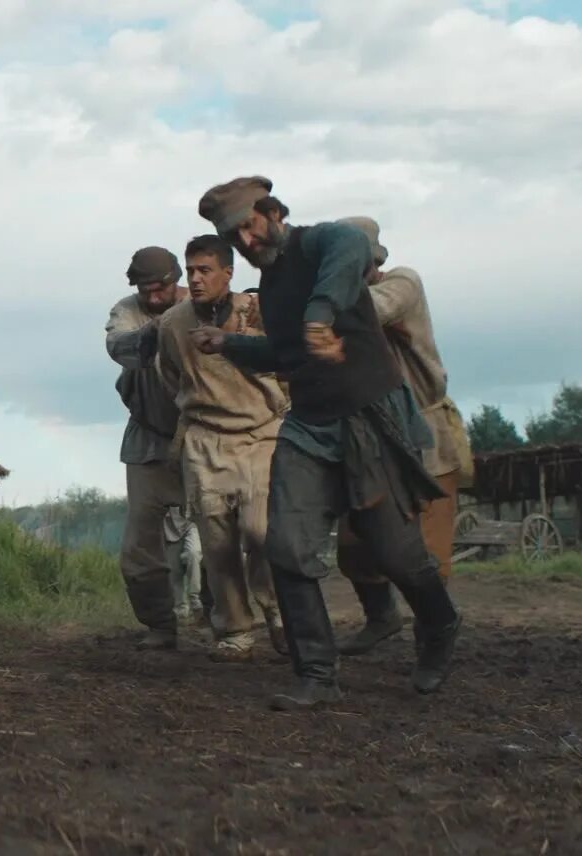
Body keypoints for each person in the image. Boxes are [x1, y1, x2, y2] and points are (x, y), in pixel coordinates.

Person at [189, 176, 461, 710]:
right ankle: (316, 673)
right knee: (285, 545)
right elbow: (288, 356)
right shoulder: (270, 288)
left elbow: (352, 243)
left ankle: (440, 623)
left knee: (395, 552)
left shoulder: (318, 244)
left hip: (366, 418)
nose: (245, 241)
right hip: (309, 427)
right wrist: (231, 345)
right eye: (234, 235)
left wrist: (321, 315)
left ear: (273, 213)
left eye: (249, 225)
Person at [330, 216, 474, 655]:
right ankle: (381, 617)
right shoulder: (333, 301)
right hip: (369, 434)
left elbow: (372, 309)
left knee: (428, 552)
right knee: (355, 543)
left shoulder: (402, 284)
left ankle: (434, 635)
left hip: (425, 434)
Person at [158, 233, 289, 661]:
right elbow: (171, 375)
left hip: (260, 435)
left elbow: (286, 364)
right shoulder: (174, 323)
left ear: (228, 273)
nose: (195, 279)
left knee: (262, 532)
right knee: (217, 545)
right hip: (204, 439)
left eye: (205, 270)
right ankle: (235, 630)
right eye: (190, 270)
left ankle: (280, 613)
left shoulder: (256, 312)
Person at [105, 246, 185, 649]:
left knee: (228, 536)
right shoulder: (127, 311)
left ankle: (233, 624)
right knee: (140, 543)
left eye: (162, 288)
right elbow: (120, 347)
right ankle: (160, 625)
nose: (153, 296)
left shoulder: (201, 303)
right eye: (145, 289)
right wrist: (161, 327)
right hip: (148, 436)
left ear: (177, 279)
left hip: (204, 435)